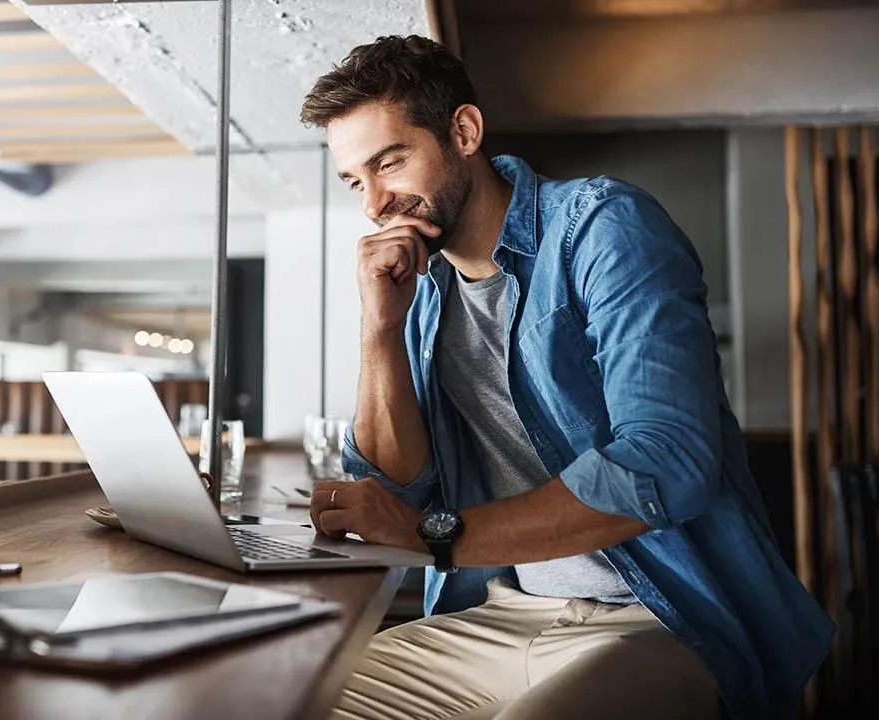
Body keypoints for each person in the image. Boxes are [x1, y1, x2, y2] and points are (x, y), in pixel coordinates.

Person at [299, 35, 833, 720]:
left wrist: (439, 534)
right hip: (505, 612)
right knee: (297, 698)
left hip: (659, 618)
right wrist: (380, 328)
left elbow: (668, 461)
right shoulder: (423, 292)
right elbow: (396, 489)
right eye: (354, 181)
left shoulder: (603, 227)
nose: (375, 204)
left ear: (463, 131)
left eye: (390, 162)